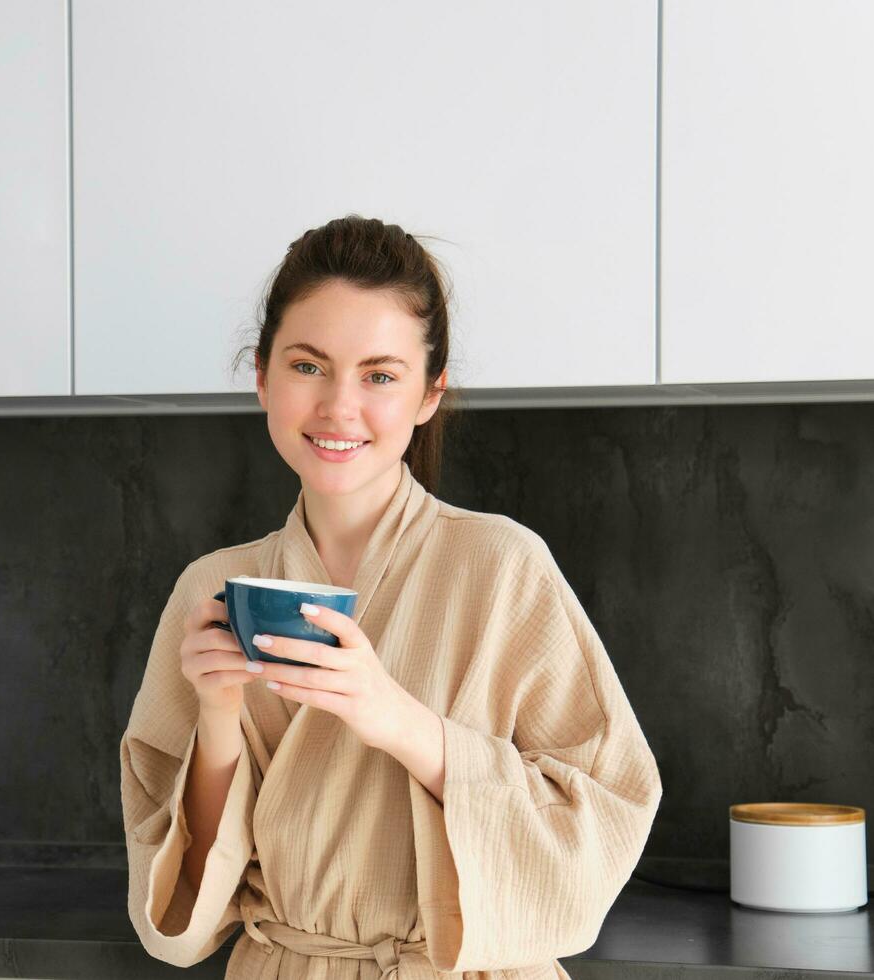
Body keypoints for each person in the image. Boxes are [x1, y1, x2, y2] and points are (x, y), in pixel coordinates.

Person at [120, 215, 662, 979]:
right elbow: (182, 907)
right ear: (263, 378)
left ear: (429, 393)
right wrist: (216, 722)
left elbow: (607, 815)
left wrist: (394, 718)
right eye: (308, 367)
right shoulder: (209, 590)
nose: (340, 408)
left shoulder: (504, 567)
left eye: (380, 375)